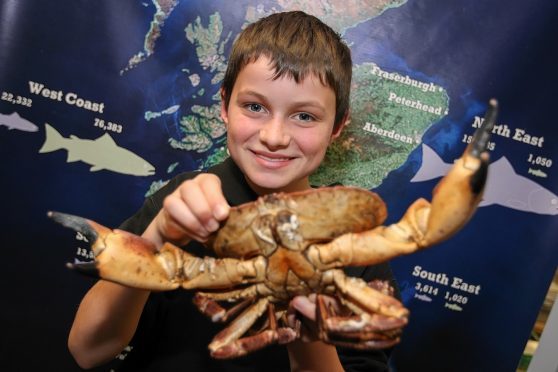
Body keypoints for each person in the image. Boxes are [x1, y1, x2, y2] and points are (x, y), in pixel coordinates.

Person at [67, 11, 399, 371]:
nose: (274, 137)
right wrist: (156, 237)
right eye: (254, 107)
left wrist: (307, 332)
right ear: (224, 106)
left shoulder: (356, 245)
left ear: (337, 126)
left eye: (304, 116)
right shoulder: (180, 201)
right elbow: (87, 350)